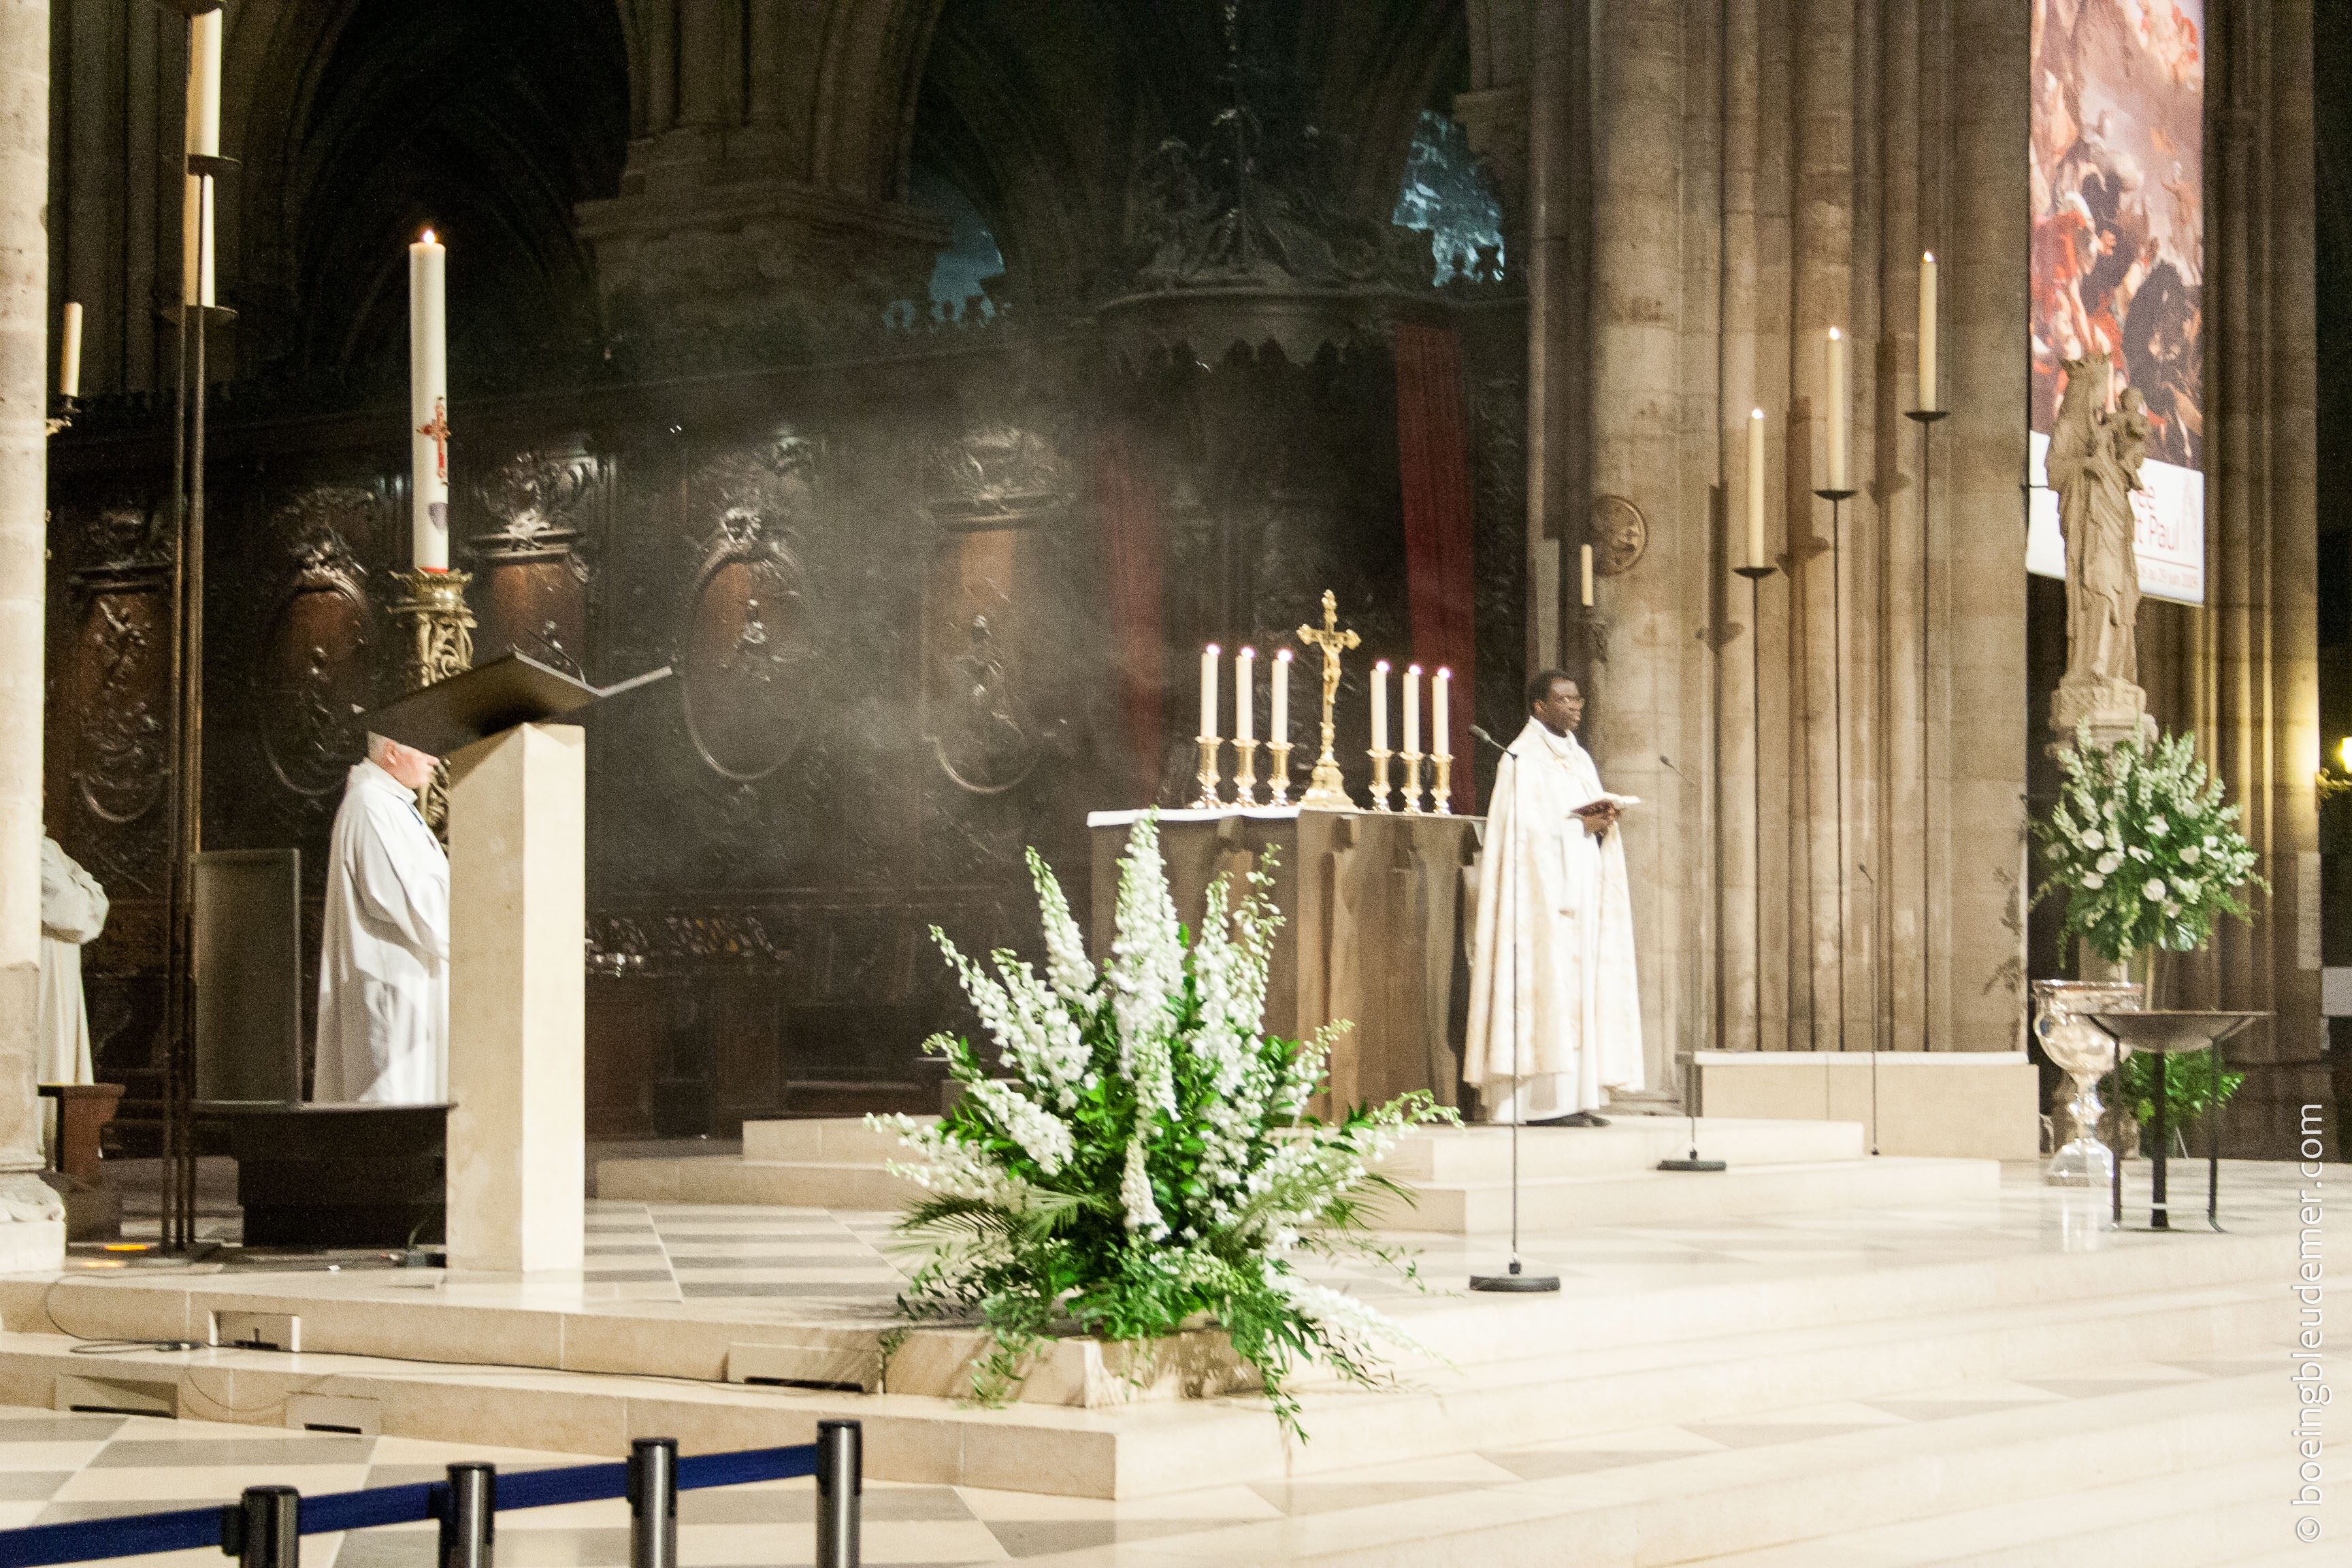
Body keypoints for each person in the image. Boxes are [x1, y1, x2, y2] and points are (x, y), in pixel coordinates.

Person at [1464, 671, 1644, 1126]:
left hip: (1581, 886)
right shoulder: (1520, 759)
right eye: (1563, 700)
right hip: (1541, 901)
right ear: (1539, 707)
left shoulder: (1579, 759)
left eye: (1578, 699)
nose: (1575, 707)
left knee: (1581, 990)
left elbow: (1579, 819)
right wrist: (1574, 827)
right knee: (1547, 988)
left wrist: (1603, 820)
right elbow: (1522, 838)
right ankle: (1538, 1104)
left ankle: (1576, 1098)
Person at [314, 733, 449, 1104]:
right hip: (390, 980)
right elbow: (398, 896)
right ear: (391, 753)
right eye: (424, 749)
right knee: (390, 1096)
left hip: (411, 977)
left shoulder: (391, 804)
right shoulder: (371, 804)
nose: (435, 760)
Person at [37, 834, 108, 1085]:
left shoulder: (47, 847)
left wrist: (84, 891)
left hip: (58, 969)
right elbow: (74, 913)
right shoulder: (29, 845)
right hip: (43, 970)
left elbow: (98, 904)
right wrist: (82, 888)